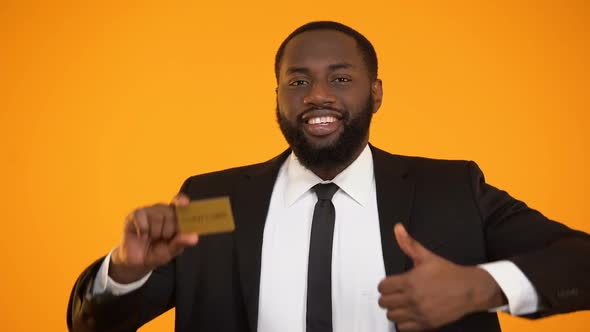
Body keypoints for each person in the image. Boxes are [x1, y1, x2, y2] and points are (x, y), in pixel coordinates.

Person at [67, 21, 590, 332]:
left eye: (340, 78)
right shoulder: (213, 199)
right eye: (297, 81)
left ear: (376, 92)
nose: (317, 95)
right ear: (277, 97)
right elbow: (91, 326)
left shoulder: (452, 191)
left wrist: (483, 287)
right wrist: (126, 269)